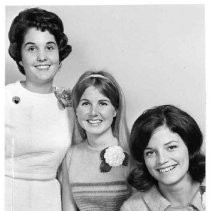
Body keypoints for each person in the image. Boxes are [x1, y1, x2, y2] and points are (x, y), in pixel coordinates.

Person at [5, 7, 73, 211]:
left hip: (50, 201)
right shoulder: (5, 98)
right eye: (32, 48)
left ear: (59, 54)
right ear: (19, 57)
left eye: (50, 47)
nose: (42, 57)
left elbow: (69, 170)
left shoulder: (72, 102)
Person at [62, 70, 132, 211]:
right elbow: (68, 208)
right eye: (86, 103)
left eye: (103, 103)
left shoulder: (131, 152)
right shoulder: (70, 156)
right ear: (76, 110)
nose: (93, 112)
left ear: (115, 110)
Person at [121, 105, 205, 211]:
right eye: (150, 153)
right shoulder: (132, 208)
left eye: (171, 147)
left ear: (190, 146)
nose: (161, 160)